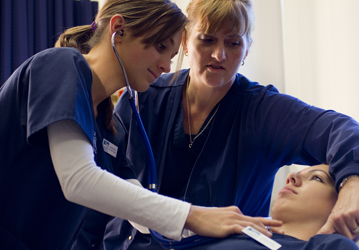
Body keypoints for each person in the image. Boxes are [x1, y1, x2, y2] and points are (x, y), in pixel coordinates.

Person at [77, 0, 359, 249]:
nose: (219, 55)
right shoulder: (143, 100)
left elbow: (343, 131)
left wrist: (353, 185)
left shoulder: (262, 112)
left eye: (233, 43)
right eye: (207, 40)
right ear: (185, 41)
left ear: (246, 50)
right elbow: (99, 191)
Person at [0, 1, 278, 249]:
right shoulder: (61, 65)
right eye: (160, 48)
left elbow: (142, 212)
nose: (166, 67)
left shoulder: (109, 128)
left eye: (171, 56)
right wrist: (196, 215)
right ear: (118, 29)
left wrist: (234, 232)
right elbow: (78, 180)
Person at [188, 165, 359, 250]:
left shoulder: (332, 246)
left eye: (316, 178)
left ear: (342, 206)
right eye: (296, 173)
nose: (291, 177)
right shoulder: (236, 229)